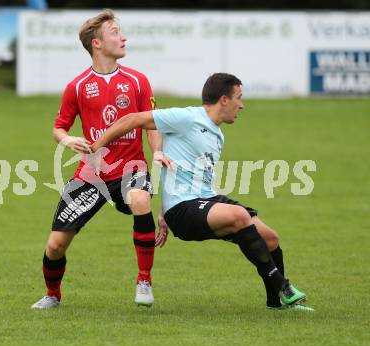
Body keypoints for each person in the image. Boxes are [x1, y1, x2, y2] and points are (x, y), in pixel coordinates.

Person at [90, 73, 314, 311]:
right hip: (183, 211)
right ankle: (284, 286)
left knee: (270, 238)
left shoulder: (218, 134)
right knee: (239, 216)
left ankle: (276, 303)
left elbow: (193, 175)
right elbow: (133, 119)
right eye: (239, 97)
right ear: (223, 100)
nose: (242, 104)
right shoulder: (187, 117)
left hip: (204, 200)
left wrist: (162, 212)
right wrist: (95, 147)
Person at [32, 9, 170, 309]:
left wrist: (157, 150)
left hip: (131, 168)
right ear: (96, 43)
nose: (123, 37)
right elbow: (59, 127)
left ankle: (144, 279)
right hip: (91, 174)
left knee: (141, 200)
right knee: (55, 245)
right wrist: (67, 139)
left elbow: (152, 123)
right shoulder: (78, 86)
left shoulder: (137, 81)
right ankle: (52, 295)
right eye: (115, 32)